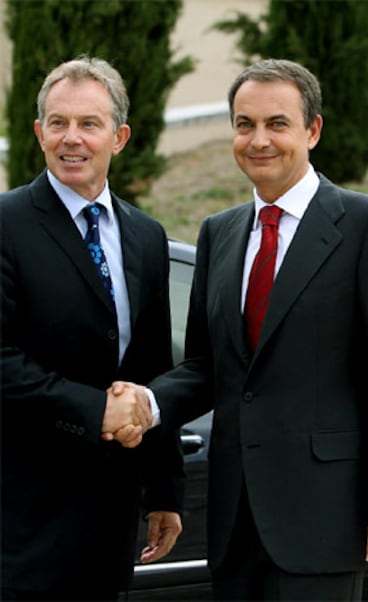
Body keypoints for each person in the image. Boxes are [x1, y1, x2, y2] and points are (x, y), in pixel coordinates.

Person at [111, 59, 368, 600]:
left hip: (324, 518)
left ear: (312, 130)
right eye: (244, 124)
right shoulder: (219, 233)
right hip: (234, 520)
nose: (259, 140)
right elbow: (209, 366)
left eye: (277, 124)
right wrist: (148, 403)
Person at [0, 56, 184, 601]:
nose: (71, 139)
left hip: (111, 509)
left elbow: (153, 368)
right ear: (38, 133)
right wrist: (93, 408)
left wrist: (165, 491)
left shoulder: (146, 237)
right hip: (22, 515)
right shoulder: (6, 225)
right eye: (57, 123)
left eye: (89, 124)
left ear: (119, 137)